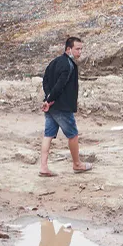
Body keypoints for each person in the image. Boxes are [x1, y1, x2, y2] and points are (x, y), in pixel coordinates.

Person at [39, 36, 92, 176]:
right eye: (77, 49)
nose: (80, 52)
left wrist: (47, 98)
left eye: (81, 49)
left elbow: (45, 80)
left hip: (51, 106)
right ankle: (77, 164)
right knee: (73, 135)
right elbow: (60, 85)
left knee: (48, 134)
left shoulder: (54, 62)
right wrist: (50, 99)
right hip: (61, 107)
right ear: (69, 49)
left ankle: (43, 167)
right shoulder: (68, 65)